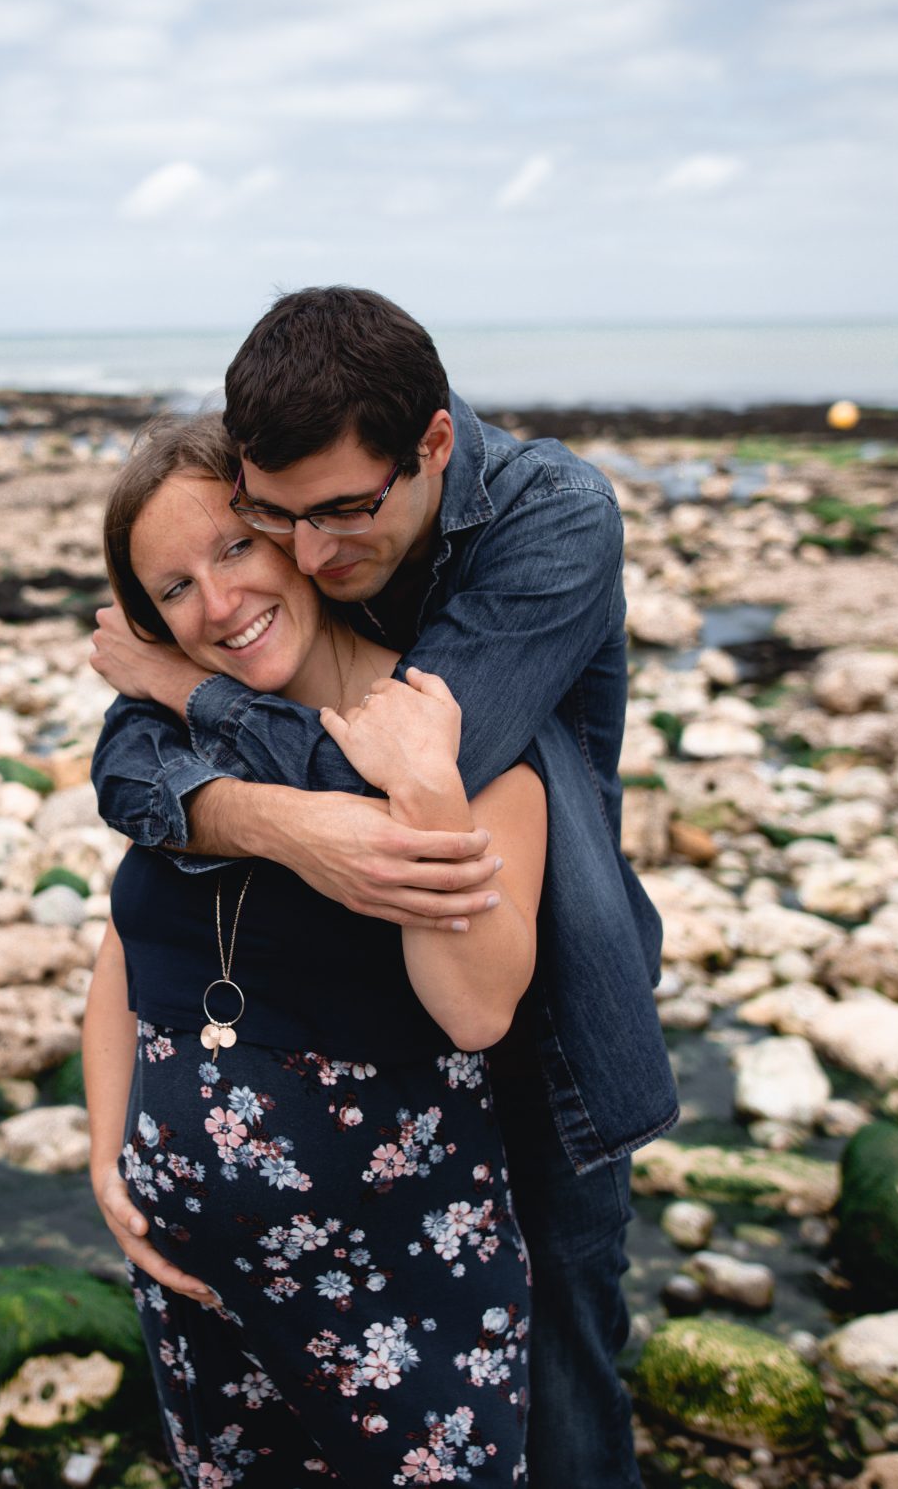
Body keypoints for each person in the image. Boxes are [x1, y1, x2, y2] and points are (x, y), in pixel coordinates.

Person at [88, 287, 680, 1487]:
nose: (313, 555)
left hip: (536, 994)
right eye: (274, 517)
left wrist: (198, 708)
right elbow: (125, 777)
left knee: (557, 1360)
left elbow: (411, 762)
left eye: (343, 517)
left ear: (433, 447)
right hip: (305, 1154)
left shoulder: (548, 521)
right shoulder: (270, 562)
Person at [84, 412, 547, 1484]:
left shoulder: (456, 737)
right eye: (174, 589)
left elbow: (476, 1009)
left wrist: (426, 788)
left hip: (401, 1303)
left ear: (292, 530)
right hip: (194, 1288)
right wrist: (110, 1159)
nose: (220, 603)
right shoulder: (173, 759)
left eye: (235, 548)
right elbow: (122, 960)